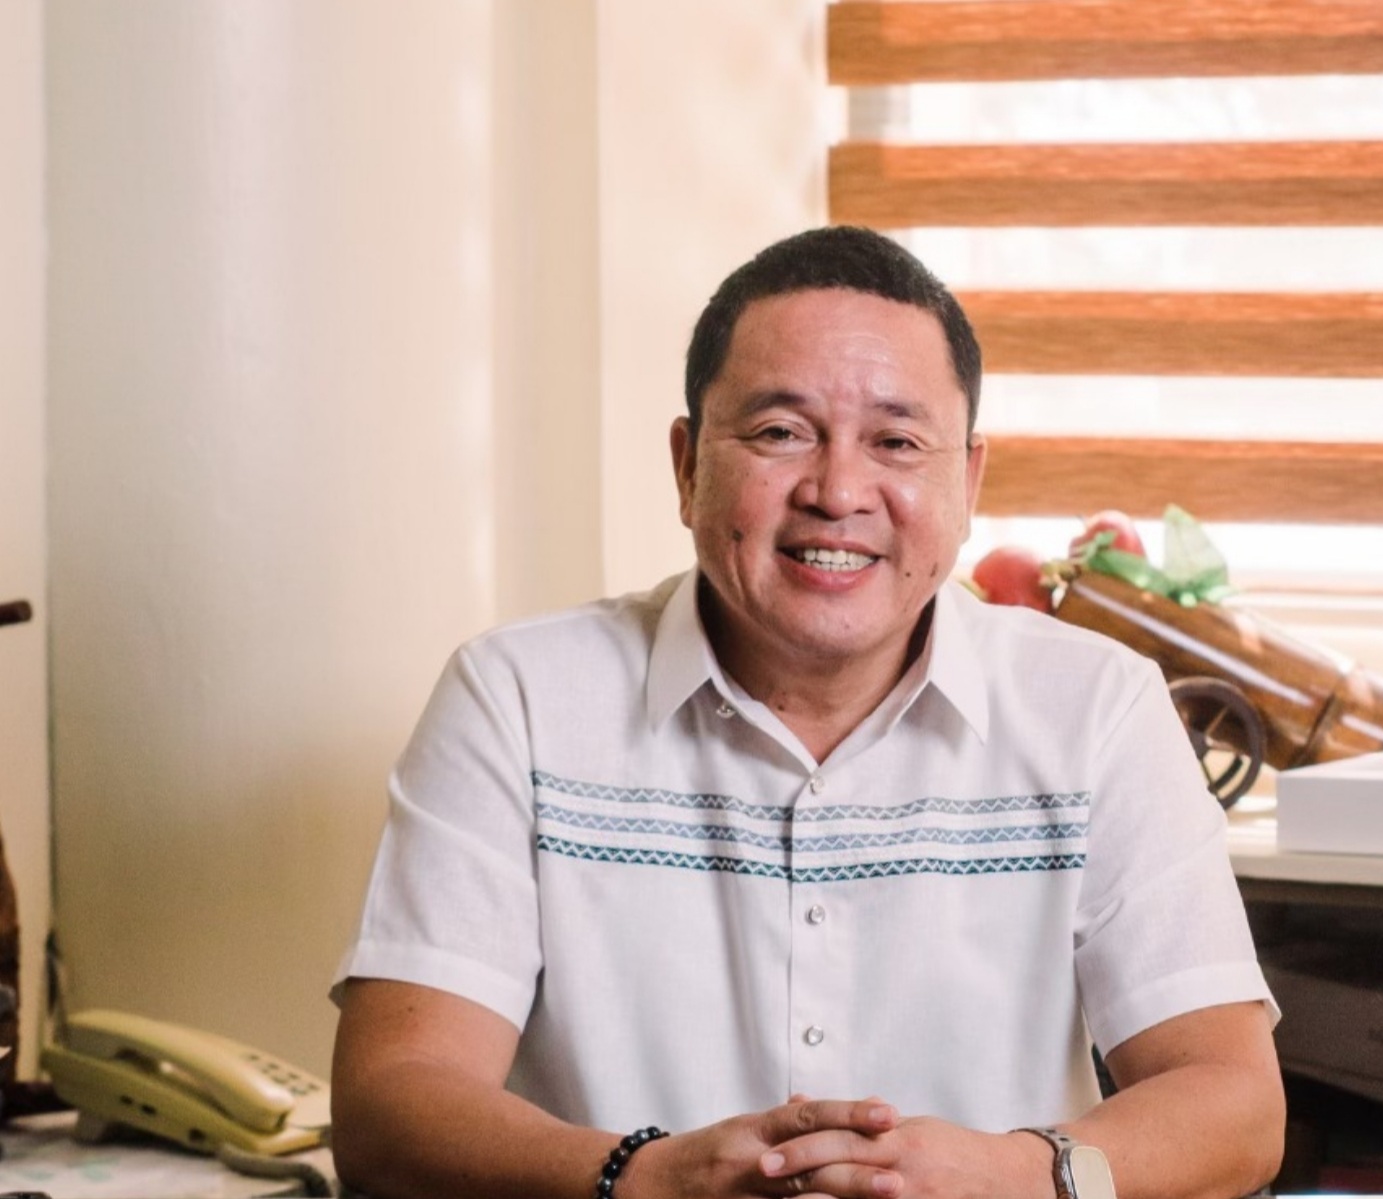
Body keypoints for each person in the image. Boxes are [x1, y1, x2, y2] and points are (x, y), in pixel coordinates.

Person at [329, 226, 1285, 1199]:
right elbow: (391, 1098)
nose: (837, 492)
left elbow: (1236, 1104)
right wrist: (644, 1176)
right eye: (780, 433)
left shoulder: (1097, 708)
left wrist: (1013, 1171)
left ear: (967, 482)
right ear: (687, 467)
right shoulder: (518, 697)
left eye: (896, 442)